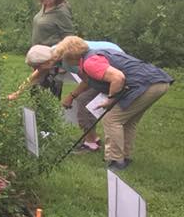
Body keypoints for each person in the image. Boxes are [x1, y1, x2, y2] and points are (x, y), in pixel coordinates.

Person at [54, 36, 173, 171]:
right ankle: (124, 158)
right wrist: (73, 96)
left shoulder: (90, 62)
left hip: (146, 85)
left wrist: (110, 100)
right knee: (128, 121)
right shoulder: (92, 56)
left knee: (112, 119)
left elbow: (118, 77)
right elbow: (93, 80)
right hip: (157, 81)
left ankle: (116, 161)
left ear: (71, 57)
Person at [8, 39, 124, 151]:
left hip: (115, 64)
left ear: (47, 62)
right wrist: (18, 93)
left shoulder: (69, 61)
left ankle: (91, 143)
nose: (35, 69)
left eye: (37, 66)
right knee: (85, 100)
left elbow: (88, 81)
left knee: (83, 100)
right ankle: (93, 138)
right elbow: (37, 75)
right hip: (109, 56)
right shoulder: (53, 52)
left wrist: (71, 96)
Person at [30, 0, 75, 98]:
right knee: (35, 95)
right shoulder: (45, 6)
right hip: (39, 60)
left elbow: (69, 39)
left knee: (48, 98)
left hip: (52, 64)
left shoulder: (62, 12)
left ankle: (48, 117)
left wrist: (62, 63)